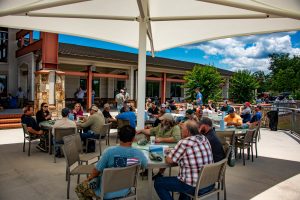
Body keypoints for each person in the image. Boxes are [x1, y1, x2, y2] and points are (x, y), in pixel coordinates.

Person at [75, 125, 147, 200]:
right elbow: (144, 166)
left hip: (105, 192)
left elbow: (96, 171)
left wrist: (88, 179)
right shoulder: (138, 154)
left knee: (79, 189)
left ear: (119, 137)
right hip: (125, 190)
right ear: (133, 139)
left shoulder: (109, 152)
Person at [154, 120, 214, 200]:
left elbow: (169, 160)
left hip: (194, 185)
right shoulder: (204, 138)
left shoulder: (184, 142)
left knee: (158, 183)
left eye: (182, 129)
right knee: (185, 178)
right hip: (209, 183)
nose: (180, 132)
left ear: (188, 132)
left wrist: (169, 153)